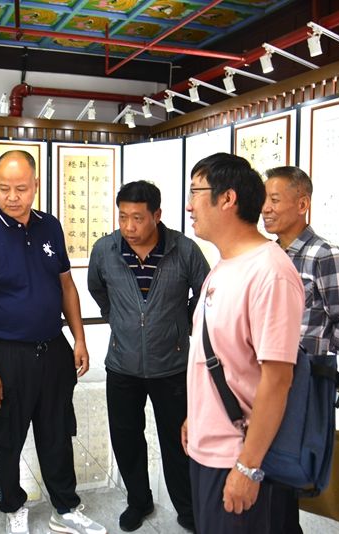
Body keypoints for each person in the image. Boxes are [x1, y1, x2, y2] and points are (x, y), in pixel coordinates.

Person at [0, 151, 106, 534]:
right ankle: (13, 507)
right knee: (7, 437)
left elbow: (66, 286)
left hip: (53, 347)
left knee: (57, 431)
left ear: (36, 185)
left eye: (21, 188)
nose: (12, 196)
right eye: (3, 188)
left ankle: (65, 507)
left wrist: (79, 338)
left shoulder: (50, 227)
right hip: (7, 353)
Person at [181, 153, 305, 533]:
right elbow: (221, 358)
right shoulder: (224, 265)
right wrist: (197, 415)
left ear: (227, 198)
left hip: (238, 456)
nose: (189, 205)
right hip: (208, 447)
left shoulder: (270, 273)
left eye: (195, 192)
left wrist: (248, 467)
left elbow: (277, 380)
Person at [87, 181, 209, 532]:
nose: (129, 226)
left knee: (177, 441)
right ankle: (138, 501)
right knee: (126, 437)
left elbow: (206, 292)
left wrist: (182, 322)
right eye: (123, 217)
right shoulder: (106, 249)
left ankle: (187, 508)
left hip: (171, 365)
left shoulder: (183, 250)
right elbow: (97, 288)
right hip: (122, 365)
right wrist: (118, 318)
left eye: (138, 218)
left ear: (157, 215)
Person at [262, 166, 339, 533]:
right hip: (267, 374)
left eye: (275, 199)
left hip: (305, 377)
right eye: (264, 199)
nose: (265, 208)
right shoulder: (268, 254)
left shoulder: (326, 256)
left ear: (302, 203)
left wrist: (314, 354)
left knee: (293, 459)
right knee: (268, 461)